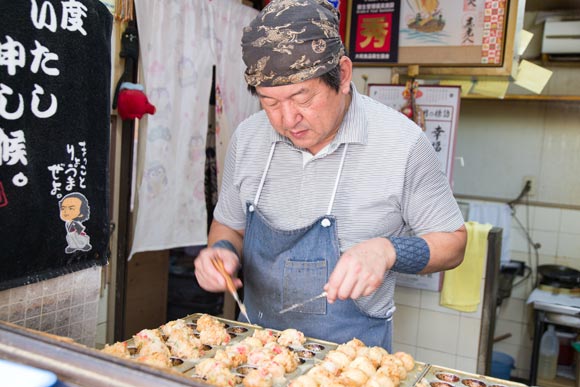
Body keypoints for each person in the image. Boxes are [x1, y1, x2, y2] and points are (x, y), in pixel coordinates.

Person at [194, 0, 467, 350]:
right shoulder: (248, 138)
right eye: (270, 102)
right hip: (257, 354)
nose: (287, 119)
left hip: (351, 361)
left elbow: (454, 243)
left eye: (302, 97)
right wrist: (220, 252)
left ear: (343, 74)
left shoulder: (402, 144)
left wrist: (388, 250)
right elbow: (229, 226)